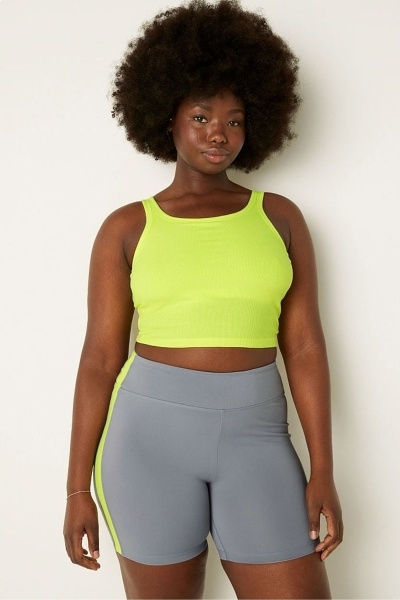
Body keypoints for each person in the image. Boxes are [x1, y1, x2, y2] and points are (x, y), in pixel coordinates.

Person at [63, 1, 343, 598]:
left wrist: (323, 468)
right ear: (166, 117)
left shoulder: (279, 218)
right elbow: (99, 360)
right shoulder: (127, 228)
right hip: (146, 445)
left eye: (235, 120)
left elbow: (303, 347)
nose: (220, 133)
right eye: (201, 116)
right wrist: (75, 488)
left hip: (258, 438)